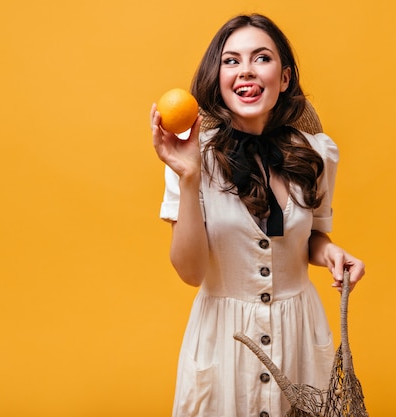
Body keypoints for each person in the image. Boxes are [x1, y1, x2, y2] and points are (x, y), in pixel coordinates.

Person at [151, 13, 365, 417]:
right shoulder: (190, 158)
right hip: (224, 340)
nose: (245, 70)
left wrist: (331, 253)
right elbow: (190, 271)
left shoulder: (316, 153)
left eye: (261, 58)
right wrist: (191, 178)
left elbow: (311, 237)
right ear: (218, 78)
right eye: (231, 61)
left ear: (284, 78)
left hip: (299, 332)